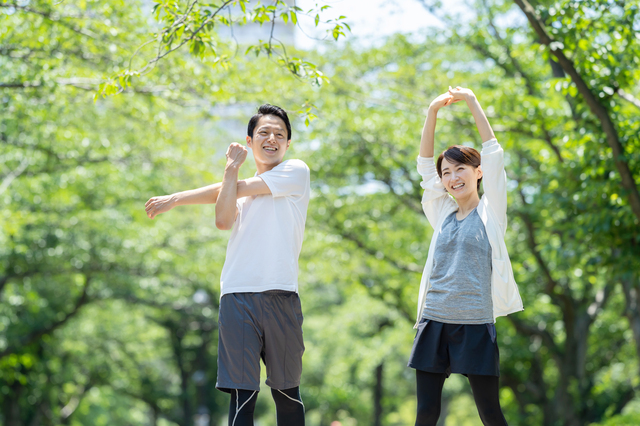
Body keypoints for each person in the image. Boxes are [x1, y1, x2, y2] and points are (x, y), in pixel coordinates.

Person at [145, 104, 309, 426]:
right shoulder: (236, 187)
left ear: (288, 144)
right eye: (264, 132)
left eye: (280, 134)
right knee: (242, 395)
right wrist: (231, 169)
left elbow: (238, 189)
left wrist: (176, 198)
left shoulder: (296, 171)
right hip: (237, 296)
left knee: (287, 393)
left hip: (282, 294)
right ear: (249, 141)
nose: (272, 138)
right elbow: (222, 221)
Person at [408, 87, 523, 426]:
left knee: (490, 413)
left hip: (475, 322)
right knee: (426, 413)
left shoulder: (491, 212)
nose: (452, 177)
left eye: (460, 169)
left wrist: (472, 102)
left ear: (478, 172)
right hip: (434, 319)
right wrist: (432, 113)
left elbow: (494, 153)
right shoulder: (440, 212)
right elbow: (424, 167)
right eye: (447, 173)